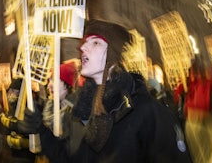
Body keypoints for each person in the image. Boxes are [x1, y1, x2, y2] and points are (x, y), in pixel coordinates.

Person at [21, 19, 193, 162]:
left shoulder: (144, 110)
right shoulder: (82, 110)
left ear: (112, 54)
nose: (83, 48)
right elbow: (70, 159)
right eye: (84, 43)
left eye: (95, 42)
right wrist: (41, 130)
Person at [174, 57, 212, 163]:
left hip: (207, 124)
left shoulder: (211, 85)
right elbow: (179, 100)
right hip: (195, 125)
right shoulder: (188, 85)